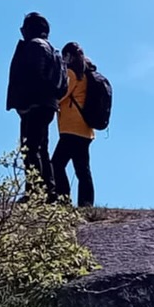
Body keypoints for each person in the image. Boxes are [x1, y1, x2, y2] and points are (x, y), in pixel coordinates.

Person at [6, 12, 68, 198]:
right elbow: (62, 84)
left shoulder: (35, 46)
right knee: (41, 148)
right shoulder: (54, 50)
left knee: (30, 149)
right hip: (47, 104)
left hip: (35, 104)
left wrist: (26, 103)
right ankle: (49, 191)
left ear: (29, 29)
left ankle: (35, 193)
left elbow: (34, 76)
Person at [52, 42, 97, 208]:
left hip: (71, 127)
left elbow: (62, 93)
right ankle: (86, 203)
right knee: (82, 168)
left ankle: (63, 199)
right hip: (85, 129)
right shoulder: (86, 73)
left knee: (56, 164)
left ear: (68, 56)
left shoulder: (71, 73)